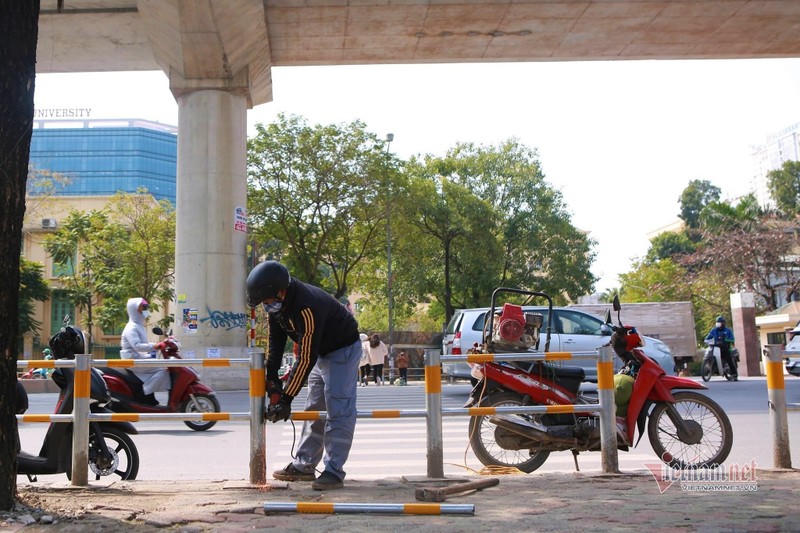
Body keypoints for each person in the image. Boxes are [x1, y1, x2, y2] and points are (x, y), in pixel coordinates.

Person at [246, 260, 361, 491]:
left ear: (280, 292)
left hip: (342, 349)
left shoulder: (307, 306)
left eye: (266, 301)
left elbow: (306, 357)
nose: (265, 306)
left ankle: (334, 471)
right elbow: (276, 344)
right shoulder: (276, 307)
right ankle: (305, 464)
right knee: (313, 409)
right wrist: (273, 379)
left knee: (338, 408)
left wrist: (286, 398)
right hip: (322, 352)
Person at [120, 297, 170, 404]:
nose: (145, 310)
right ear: (134, 310)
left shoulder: (139, 326)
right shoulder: (131, 327)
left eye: (146, 307)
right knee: (164, 369)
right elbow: (137, 346)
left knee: (161, 364)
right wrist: (155, 346)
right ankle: (144, 392)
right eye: (143, 308)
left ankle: (150, 396)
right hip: (133, 360)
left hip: (138, 357)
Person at [705, 315, 736, 380]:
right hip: (716, 347)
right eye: (717, 322)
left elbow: (732, 339)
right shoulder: (714, 330)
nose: (718, 324)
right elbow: (708, 337)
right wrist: (706, 340)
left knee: (729, 359)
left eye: (720, 322)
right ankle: (711, 369)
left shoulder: (728, 330)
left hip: (725, 348)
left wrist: (726, 341)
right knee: (710, 355)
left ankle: (734, 374)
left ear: (723, 323)